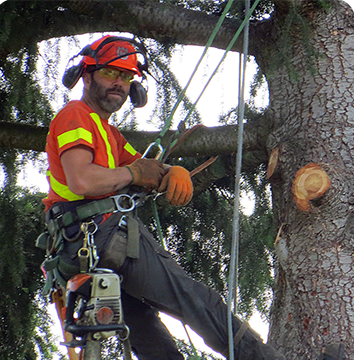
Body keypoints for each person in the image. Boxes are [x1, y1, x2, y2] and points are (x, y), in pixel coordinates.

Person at [42, 35, 286, 360]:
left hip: (83, 247)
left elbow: (145, 168)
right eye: (110, 73)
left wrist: (170, 171)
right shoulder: (76, 115)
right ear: (86, 76)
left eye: (127, 77)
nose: (119, 84)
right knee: (197, 302)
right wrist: (134, 175)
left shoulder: (107, 133)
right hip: (101, 234)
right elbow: (83, 179)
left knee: (150, 338)